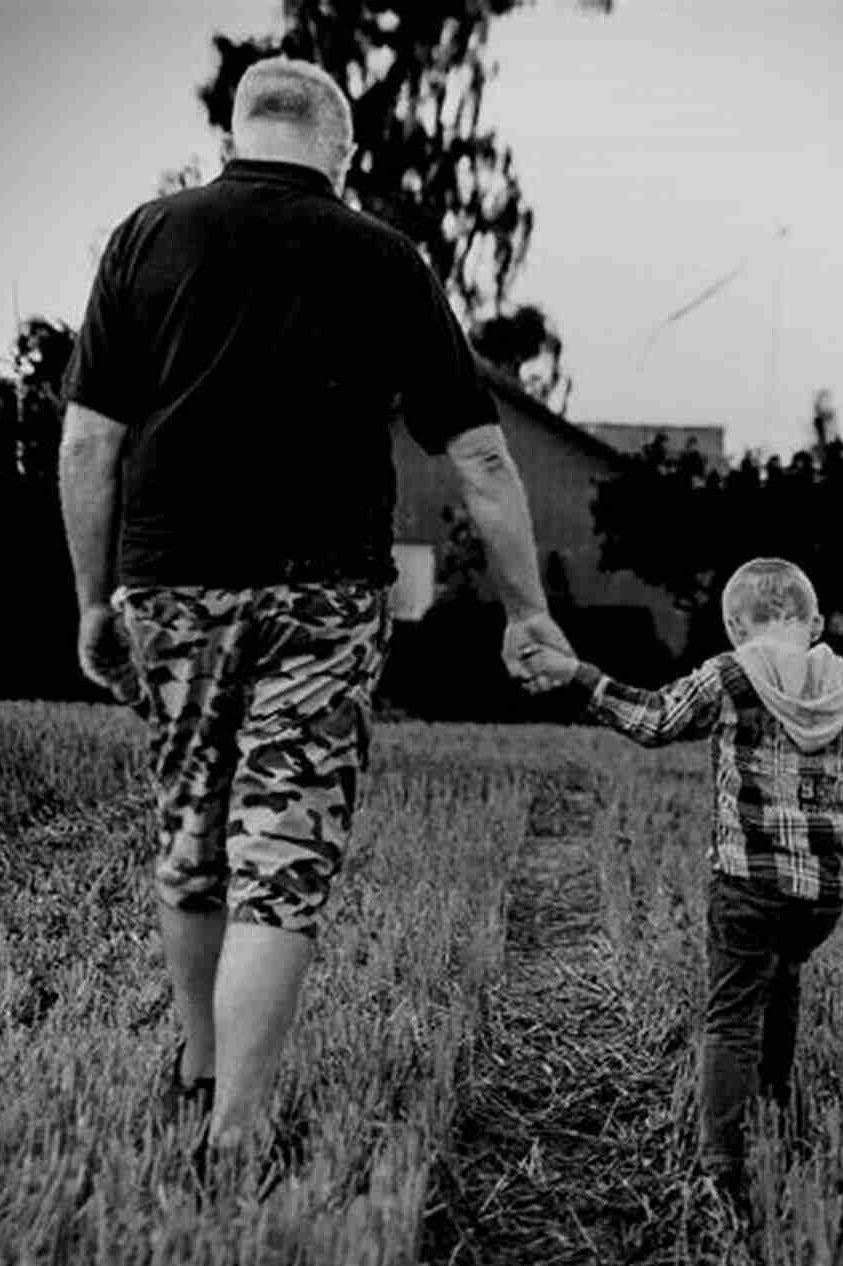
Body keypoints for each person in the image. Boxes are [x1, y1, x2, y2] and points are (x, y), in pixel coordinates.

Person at [57, 56, 572, 1189]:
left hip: (171, 583)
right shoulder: (384, 258)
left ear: (237, 132)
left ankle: (197, 1069)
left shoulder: (147, 235)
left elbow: (90, 441)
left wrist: (96, 601)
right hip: (322, 597)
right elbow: (478, 454)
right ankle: (237, 1129)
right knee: (278, 858)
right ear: (338, 147)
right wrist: (527, 611)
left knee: (191, 833)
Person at [521, 557, 843, 1206]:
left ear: (734, 625)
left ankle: (720, 1164)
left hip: (747, 881)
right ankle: (775, 1111)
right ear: (813, 623)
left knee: (730, 1015)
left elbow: (652, 720)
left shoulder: (729, 676)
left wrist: (578, 675)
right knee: (784, 976)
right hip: (823, 894)